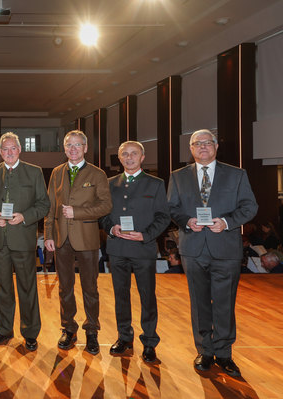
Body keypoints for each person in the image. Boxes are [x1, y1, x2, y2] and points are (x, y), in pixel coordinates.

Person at [167, 129, 257, 378]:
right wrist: (187, 221)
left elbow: (250, 206)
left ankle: (225, 353)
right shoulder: (178, 176)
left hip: (225, 248)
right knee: (199, 302)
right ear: (191, 148)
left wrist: (227, 222)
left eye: (208, 143)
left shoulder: (237, 175)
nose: (203, 147)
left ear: (216, 146)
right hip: (193, 248)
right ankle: (205, 350)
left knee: (225, 303)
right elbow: (172, 207)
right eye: (197, 143)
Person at [0, 132, 50, 351]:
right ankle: (4, 330)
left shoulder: (34, 172)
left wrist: (25, 216)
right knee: (3, 288)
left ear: (19, 150)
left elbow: (44, 204)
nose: (9, 152)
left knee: (27, 287)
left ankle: (29, 333)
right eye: (5, 149)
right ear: (0, 152)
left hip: (23, 240)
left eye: (13, 148)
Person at [100, 141, 170, 363]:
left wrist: (146, 235)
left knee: (147, 297)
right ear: (120, 158)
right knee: (121, 296)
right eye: (124, 154)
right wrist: (111, 227)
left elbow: (163, 216)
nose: (129, 158)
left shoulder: (156, 184)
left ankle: (149, 341)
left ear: (142, 157)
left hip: (143, 248)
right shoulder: (109, 184)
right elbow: (102, 214)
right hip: (117, 248)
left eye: (134, 154)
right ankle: (124, 337)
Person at [44, 130, 112, 354]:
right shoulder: (56, 172)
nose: (73, 149)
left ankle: (92, 330)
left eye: (77, 145)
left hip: (87, 240)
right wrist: (49, 235)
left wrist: (78, 212)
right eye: (69, 146)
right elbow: (51, 207)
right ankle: (69, 328)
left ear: (85, 148)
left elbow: (105, 206)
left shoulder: (98, 173)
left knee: (90, 288)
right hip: (61, 238)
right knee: (65, 288)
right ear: (64, 149)